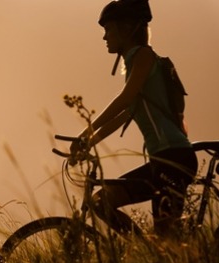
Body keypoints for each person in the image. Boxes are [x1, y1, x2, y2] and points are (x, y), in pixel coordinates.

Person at [66, 0, 196, 236]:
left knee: (169, 239)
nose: (105, 37)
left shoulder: (144, 56)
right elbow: (126, 114)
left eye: (108, 29)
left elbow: (125, 100)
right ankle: (146, 252)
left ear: (126, 29)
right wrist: (87, 144)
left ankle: (159, 257)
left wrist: (84, 133)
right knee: (101, 201)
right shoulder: (138, 64)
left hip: (173, 158)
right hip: (164, 159)